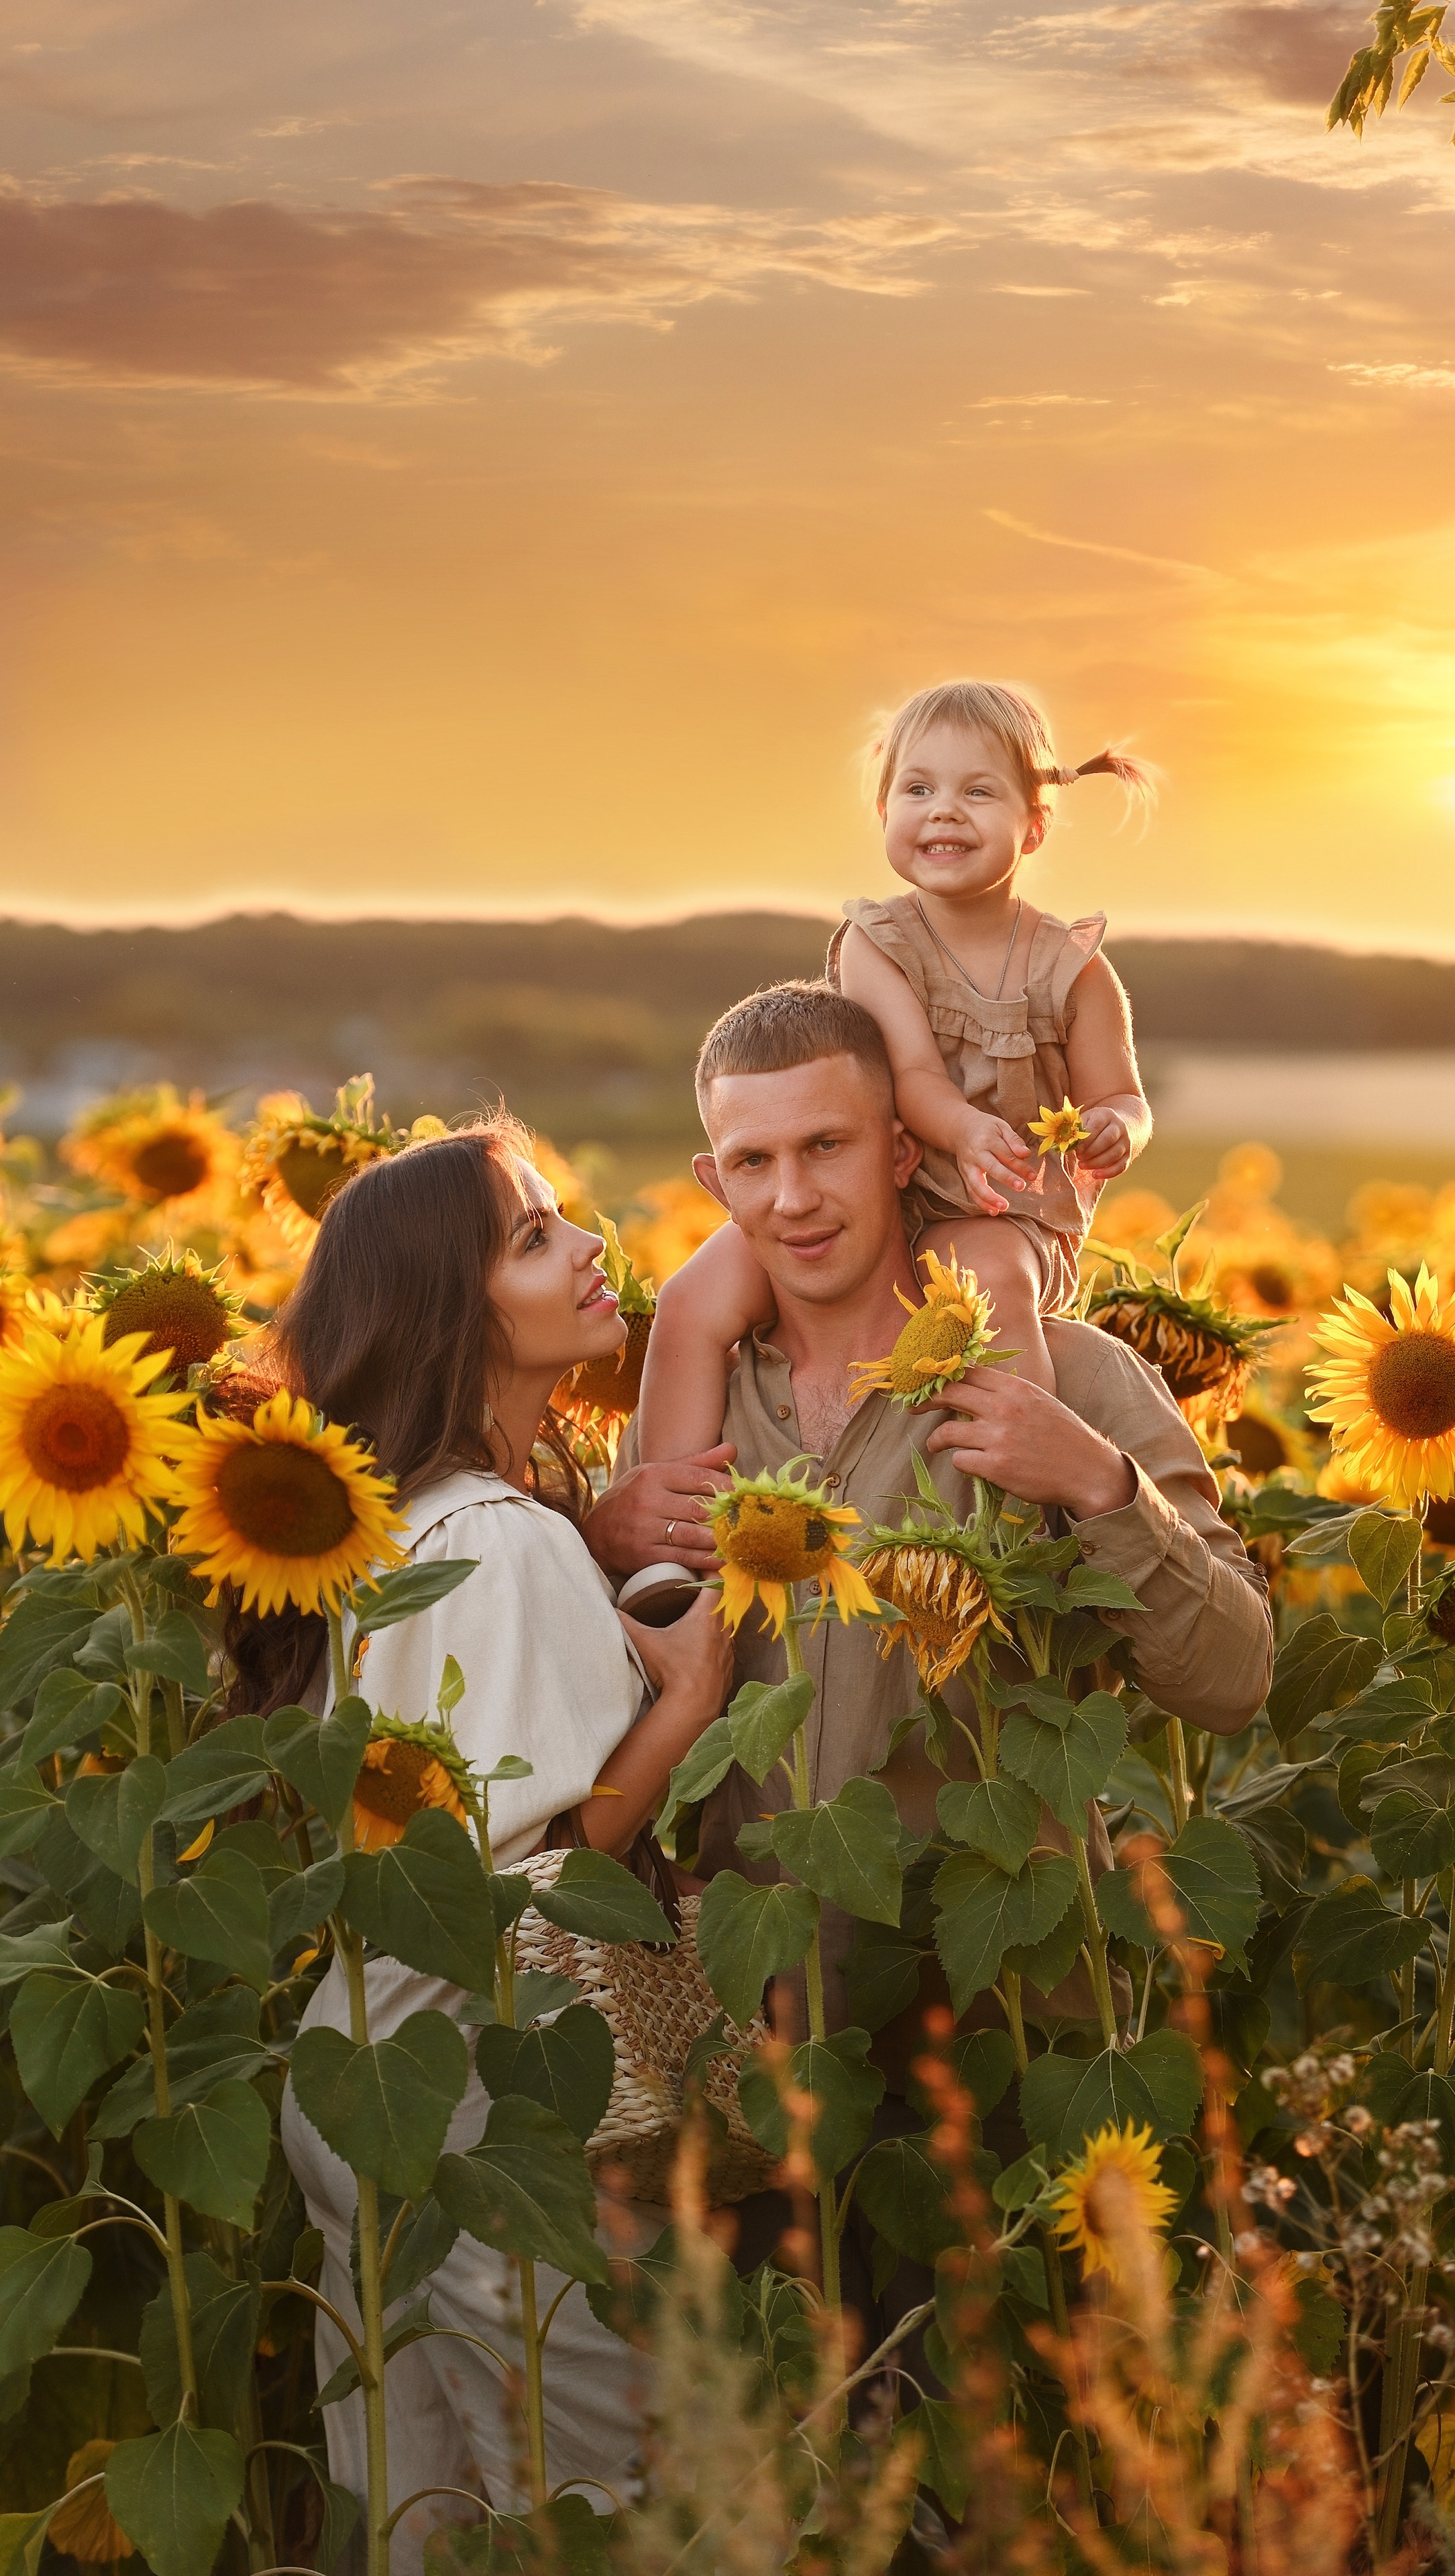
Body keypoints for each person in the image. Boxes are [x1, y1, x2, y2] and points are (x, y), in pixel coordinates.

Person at [237, 1116, 731, 2574]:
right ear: (455, 1316)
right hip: (475, 2085)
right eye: (532, 1238)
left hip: (360, 2068)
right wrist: (693, 1690)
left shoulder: (402, 1527)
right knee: (594, 2504)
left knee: (417, 2512)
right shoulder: (500, 1538)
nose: (588, 1247)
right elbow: (551, 1856)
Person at [586, 981, 1271, 1972]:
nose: (792, 1199)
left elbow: (1233, 1682)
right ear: (715, 1183)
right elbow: (609, 1734)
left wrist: (1100, 1484)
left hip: (1012, 2016)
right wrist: (599, 1547)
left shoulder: (1071, 1376)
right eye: (754, 1162)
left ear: (904, 1150)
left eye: (827, 1146)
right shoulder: (690, 1419)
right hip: (769, 2034)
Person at [635, 678, 1154, 1460]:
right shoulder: (877, 942)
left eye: (978, 791)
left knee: (990, 1291)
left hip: (992, 1212)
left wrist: (1118, 1127)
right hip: (868, 1190)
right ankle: (668, 1515)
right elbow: (911, 1076)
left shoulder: (1073, 970)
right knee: (690, 1299)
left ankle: (1023, 1494)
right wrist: (966, 1127)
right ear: (884, 813)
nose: (943, 809)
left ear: (1035, 825)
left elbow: (1121, 1093)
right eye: (918, 789)